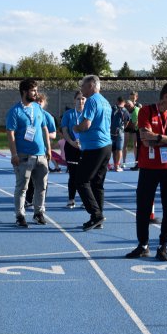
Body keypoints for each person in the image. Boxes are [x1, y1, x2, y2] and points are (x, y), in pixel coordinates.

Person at [126, 82, 167, 261]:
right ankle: (143, 245)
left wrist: (158, 137)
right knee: (143, 207)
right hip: (149, 166)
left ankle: (163, 246)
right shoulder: (146, 111)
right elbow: (145, 140)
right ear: (166, 96)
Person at [6, 79, 51, 227]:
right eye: (33, 91)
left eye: (36, 90)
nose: (36, 93)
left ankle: (38, 213)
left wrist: (48, 149)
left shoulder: (38, 108)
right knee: (22, 187)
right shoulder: (14, 111)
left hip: (40, 155)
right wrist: (14, 154)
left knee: (41, 186)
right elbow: (10, 134)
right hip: (24, 157)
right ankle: (20, 215)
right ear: (24, 92)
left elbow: (44, 128)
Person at [73, 75, 112, 231]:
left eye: (82, 86)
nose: (81, 89)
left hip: (95, 147)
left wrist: (76, 128)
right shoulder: (106, 102)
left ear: (90, 85)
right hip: (106, 145)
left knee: (81, 180)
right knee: (97, 183)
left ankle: (96, 214)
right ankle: (98, 217)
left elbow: (86, 124)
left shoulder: (92, 101)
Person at [25, 92, 58, 207]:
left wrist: (43, 134)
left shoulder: (48, 116)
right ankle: (29, 199)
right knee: (28, 177)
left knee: (42, 178)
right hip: (30, 150)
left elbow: (54, 134)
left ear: (44, 103)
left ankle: (41, 201)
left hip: (43, 151)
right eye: (36, 101)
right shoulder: (30, 115)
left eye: (41, 101)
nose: (38, 103)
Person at [61, 91, 85, 209]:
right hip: (71, 147)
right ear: (74, 100)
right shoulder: (68, 114)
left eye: (83, 99)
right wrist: (71, 142)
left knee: (85, 175)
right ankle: (71, 199)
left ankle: (85, 200)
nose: (80, 101)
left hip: (86, 148)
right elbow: (65, 131)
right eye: (78, 99)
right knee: (73, 175)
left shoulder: (88, 114)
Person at [110, 96, 130, 172]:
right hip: (120, 132)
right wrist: (123, 128)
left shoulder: (112, 109)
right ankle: (117, 166)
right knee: (119, 149)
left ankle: (112, 165)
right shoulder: (125, 111)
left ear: (117, 101)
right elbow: (127, 121)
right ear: (124, 102)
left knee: (113, 149)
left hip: (111, 131)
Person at [124, 91, 142, 170]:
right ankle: (124, 162)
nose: (132, 98)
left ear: (136, 97)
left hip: (135, 127)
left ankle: (136, 162)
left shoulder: (138, 106)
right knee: (125, 144)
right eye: (131, 97)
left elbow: (140, 116)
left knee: (136, 145)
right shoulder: (126, 105)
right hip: (128, 126)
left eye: (133, 97)